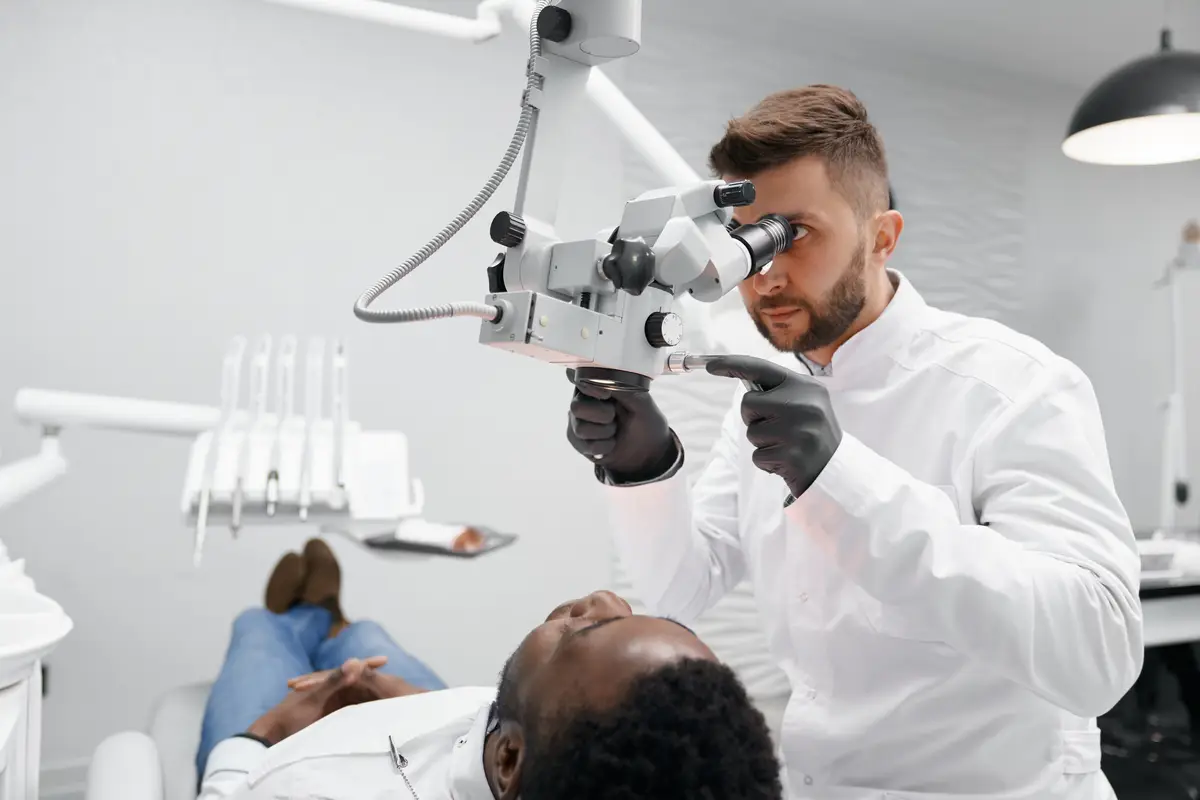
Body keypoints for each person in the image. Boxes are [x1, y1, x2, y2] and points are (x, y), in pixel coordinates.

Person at [566, 85, 1143, 799]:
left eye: (792, 233)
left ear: (881, 236)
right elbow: (681, 586)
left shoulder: (1013, 386)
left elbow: (1100, 654)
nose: (764, 272)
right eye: (744, 239)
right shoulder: (766, 394)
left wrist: (840, 478)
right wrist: (645, 468)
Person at [197, 538, 783, 800]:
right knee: (369, 641)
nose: (602, 598)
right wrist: (407, 699)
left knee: (257, 638)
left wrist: (267, 732)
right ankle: (334, 625)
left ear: (509, 760)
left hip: (276, 749)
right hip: (448, 719)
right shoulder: (559, 753)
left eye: (587, 632)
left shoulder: (292, 788)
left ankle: (298, 619)